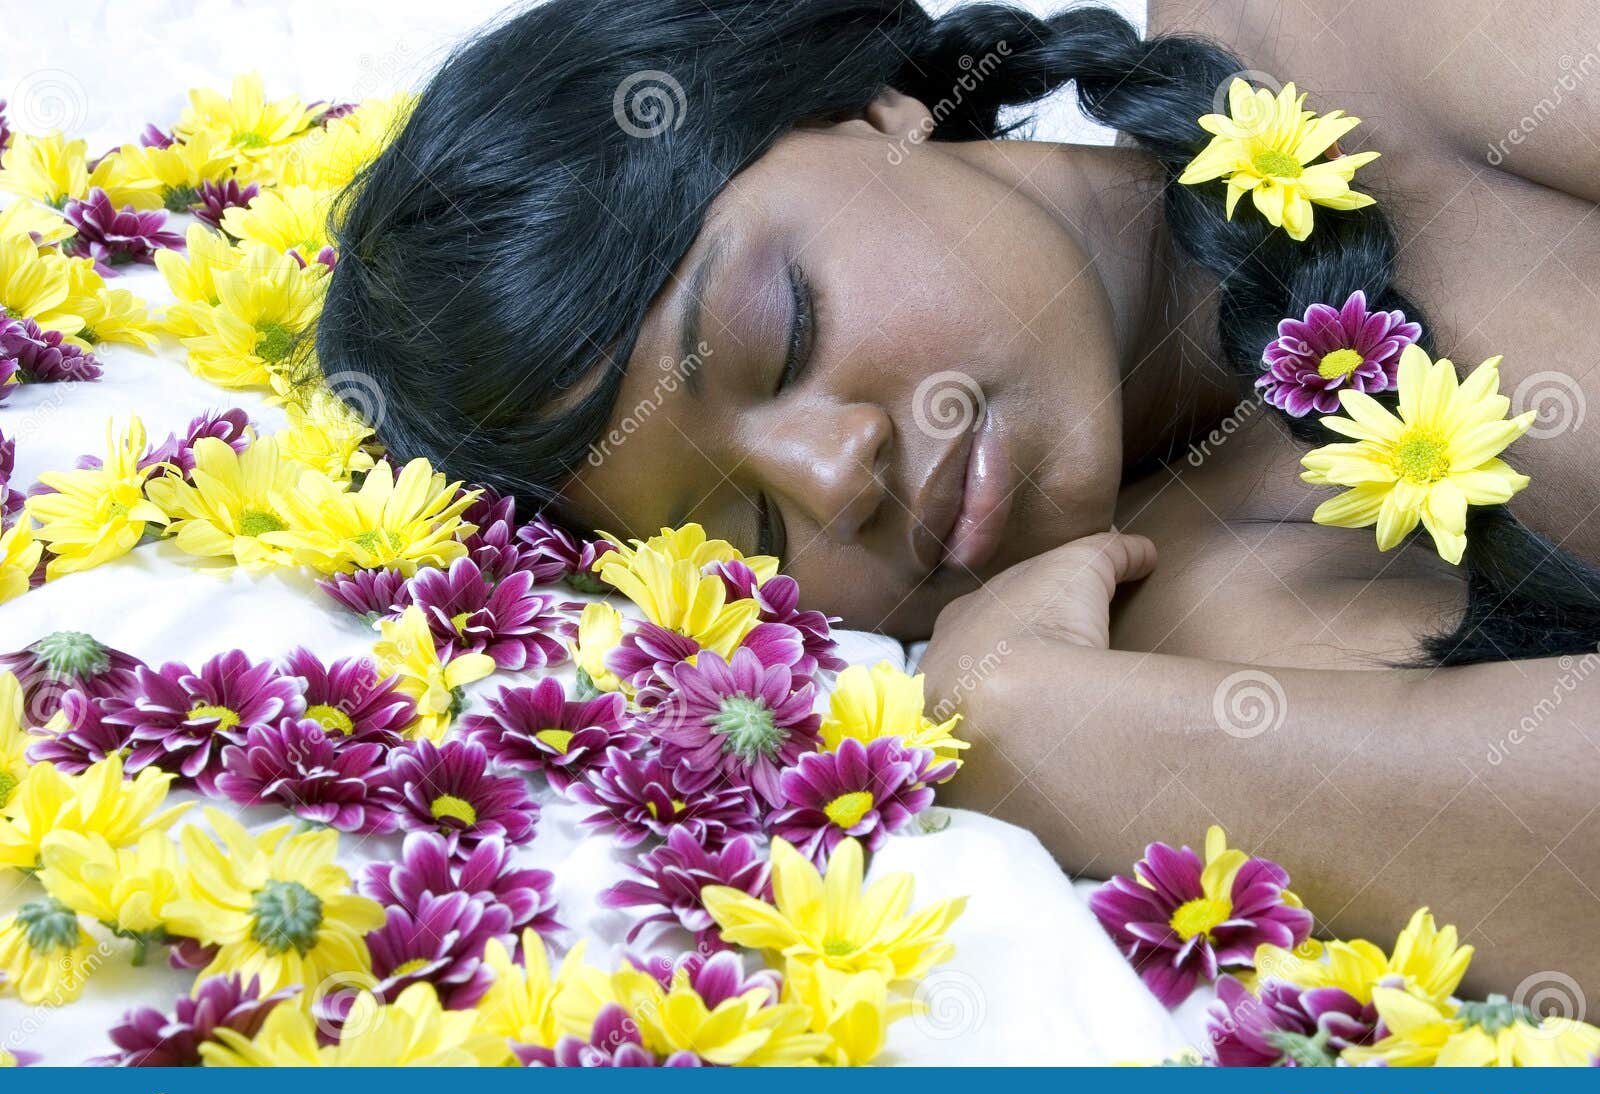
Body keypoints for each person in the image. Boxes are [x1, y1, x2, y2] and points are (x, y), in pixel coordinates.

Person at [316, 0, 1600, 1003]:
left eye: (785, 332)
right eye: (753, 530)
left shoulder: (1345, 40)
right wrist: (1048, 730)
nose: (832, 476)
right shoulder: (1170, 623)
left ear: (879, 111)